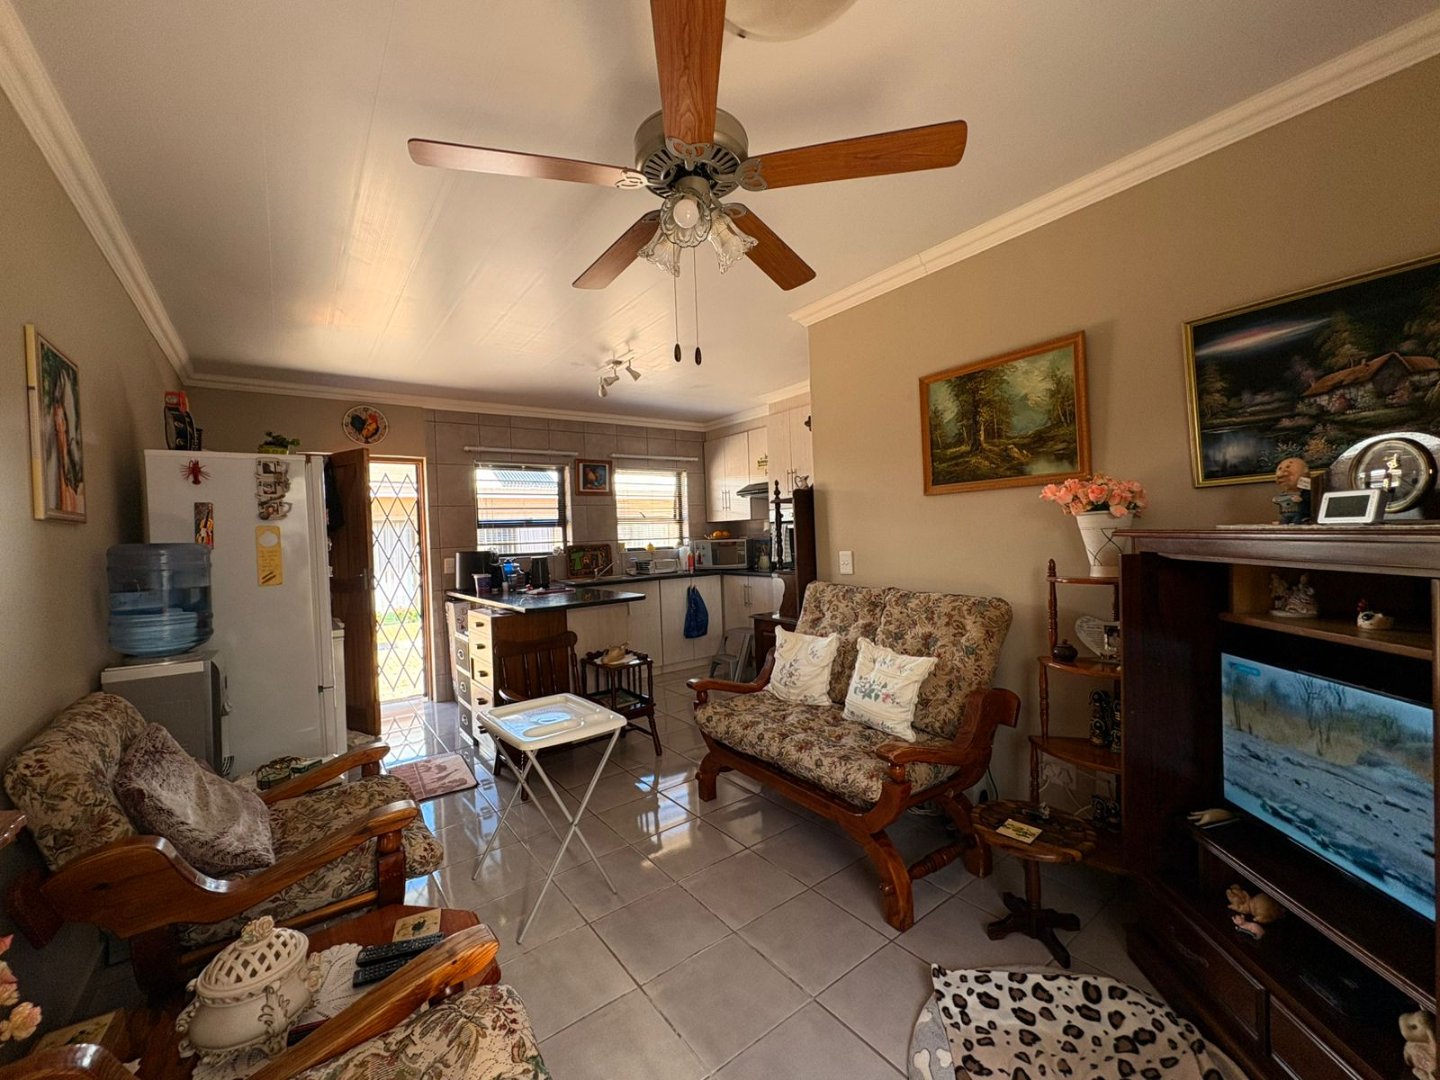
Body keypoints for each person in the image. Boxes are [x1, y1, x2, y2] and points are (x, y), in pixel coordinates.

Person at [1272, 456, 1311, 524]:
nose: (1279, 475)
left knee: (1297, 521)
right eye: (1279, 469)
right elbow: (1280, 499)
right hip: (1285, 512)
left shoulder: (1307, 491)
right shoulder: (1284, 493)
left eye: (1288, 467)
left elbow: (1310, 501)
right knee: (1283, 520)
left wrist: (1302, 500)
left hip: (1300, 513)